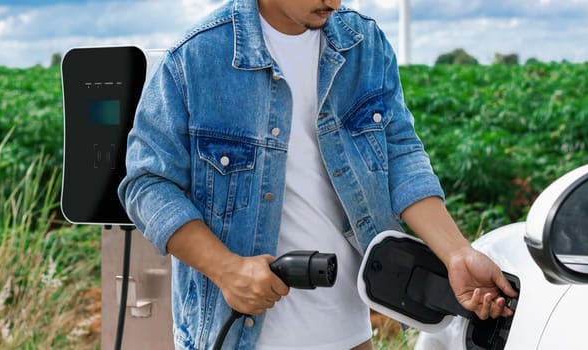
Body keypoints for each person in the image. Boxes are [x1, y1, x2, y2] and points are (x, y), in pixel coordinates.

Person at [118, 0, 517, 349]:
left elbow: (399, 154)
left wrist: (457, 253)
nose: (334, 1)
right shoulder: (195, 58)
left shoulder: (364, 44)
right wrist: (226, 269)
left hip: (348, 331)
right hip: (239, 332)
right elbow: (147, 183)